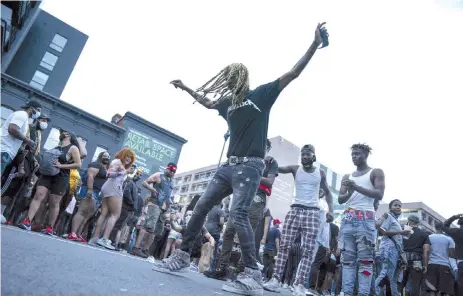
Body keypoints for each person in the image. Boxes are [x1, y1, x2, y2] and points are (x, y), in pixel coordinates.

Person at [164, 23, 328, 295]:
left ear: (243, 80)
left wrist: (313, 44)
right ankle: (182, 256)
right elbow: (206, 103)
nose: (229, 84)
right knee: (202, 205)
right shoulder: (227, 103)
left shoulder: (260, 95)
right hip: (228, 166)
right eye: (226, 80)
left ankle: (253, 273)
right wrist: (186, 88)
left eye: (233, 79)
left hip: (251, 166)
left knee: (238, 214)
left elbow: (293, 73)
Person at [263, 144, 333, 296]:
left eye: (308, 154)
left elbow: (328, 193)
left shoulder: (320, 173)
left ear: (313, 157)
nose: (305, 157)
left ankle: (299, 284)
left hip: (312, 213)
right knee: (284, 246)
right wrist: (270, 160)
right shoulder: (296, 169)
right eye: (303, 154)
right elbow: (278, 169)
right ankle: (275, 279)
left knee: (308, 250)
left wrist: (331, 211)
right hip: (295, 209)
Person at [204, 139, 278, 280]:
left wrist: (252, 173)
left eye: (265, 147)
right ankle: (222, 269)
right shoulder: (248, 159)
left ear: (268, 148)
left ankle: (240, 272)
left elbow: (270, 181)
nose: (262, 148)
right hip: (241, 199)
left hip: (257, 201)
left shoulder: (270, 163)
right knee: (229, 232)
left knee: (247, 235)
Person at [337, 143, 385, 296]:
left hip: (366, 220)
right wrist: (351, 191)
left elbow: (379, 194)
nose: (354, 157)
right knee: (348, 261)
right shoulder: (347, 176)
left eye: (357, 154)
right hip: (348, 219)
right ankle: (347, 292)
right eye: (352, 154)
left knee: (365, 261)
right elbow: (340, 199)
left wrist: (356, 187)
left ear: (365, 155)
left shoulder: (375, 172)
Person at [20, 128, 82, 235]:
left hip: (61, 176)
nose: (61, 133)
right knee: (38, 195)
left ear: (68, 135)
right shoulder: (57, 147)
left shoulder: (73, 148)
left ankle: (50, 227)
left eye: (63, 132)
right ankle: (27, 221)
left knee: (54, 201)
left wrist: (61, 165)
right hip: (47, 174)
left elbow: (78, 164)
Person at [89, 148, 136, 249]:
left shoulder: (118, 163)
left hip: (109, 187)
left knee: (104, 214)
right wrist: (122, 173)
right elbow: (109, 174)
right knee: (115, 214)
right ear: (123, 154)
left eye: (131, 158)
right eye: (127, 156)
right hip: (114, 187)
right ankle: (105, 239)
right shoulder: (117, 162)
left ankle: (95, 238)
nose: (129, 159)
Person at [132, 163, 177, 258]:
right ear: (167, 169)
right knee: (147, 226)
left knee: (156, 231)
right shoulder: (159, 175)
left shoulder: (172, 181)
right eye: (171, 170)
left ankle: (145, 250)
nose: (172, 172)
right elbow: (144, 183)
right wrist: (152, 189)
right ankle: (136, 248)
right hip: (155, 204)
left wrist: (170, 202)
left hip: (164, 208)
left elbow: (168, 194)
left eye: (174, 171)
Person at [66, 151, 110, 242]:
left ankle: (78, 234)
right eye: (105, 156)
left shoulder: (106, 168)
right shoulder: (96, 164)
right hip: (90, 190)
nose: (107, 158)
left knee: (87, 215)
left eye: (108, 156)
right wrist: (90, 189)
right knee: (82, 211)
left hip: (98, 194)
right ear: (100, 156)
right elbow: (90, 176)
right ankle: (73, 233)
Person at [374, 199, 410, 296]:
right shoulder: (388, 216)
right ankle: (374, 292)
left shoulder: (395, 221)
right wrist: (401, 232)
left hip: (396, 251)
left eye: (399, 205)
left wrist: (403, 234)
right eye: (395, 205)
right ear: (390, 207)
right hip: (388, 248)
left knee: (394, 277)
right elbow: (383, 232)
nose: (398, 207)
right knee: (385, 273)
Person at [1, 100, 40, 176]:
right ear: (31, 108)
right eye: (38, 110)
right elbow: (12, 129)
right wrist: (28, 141)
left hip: (6, 151)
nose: (39, 113)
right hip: (4, 149)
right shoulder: (22, 115)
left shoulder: (25, 118)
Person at [110, 168, 143, 250]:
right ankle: (110, 241)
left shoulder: (134, 184)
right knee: (118, 225)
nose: (138, 176)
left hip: (129, 209)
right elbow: (126, 193)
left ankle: (113, 242)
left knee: (120, 226)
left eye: (140, 175)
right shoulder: (130, 182)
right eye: (137, 174)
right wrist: (132, 203)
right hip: (125, 207)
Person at [399, 214, 431, 296]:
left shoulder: (401, 231)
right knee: (415, 285)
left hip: (403, 260)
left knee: (400, 283)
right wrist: (425, 265)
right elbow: (426, 251)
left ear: (409, 221)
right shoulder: (424, 234)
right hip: (417, 261)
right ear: (418, 223)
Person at [424, 221, 457, 296]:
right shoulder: (449, 239)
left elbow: (426, 251)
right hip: (444, 266)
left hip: (431, 265)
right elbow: (452, 255)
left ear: (435, 227)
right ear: (443, 228)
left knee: (431, 289)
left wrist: (425, 265)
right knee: (444, 290)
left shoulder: (429, 237)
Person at [442, 213, 463, 295]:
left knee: (460, 283)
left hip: (461, 261)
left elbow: (444, 226)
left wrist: (454, 217)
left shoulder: (456, 232)